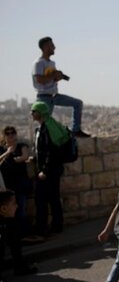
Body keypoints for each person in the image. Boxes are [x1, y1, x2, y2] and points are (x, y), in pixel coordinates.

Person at [32, 36, 90, 138]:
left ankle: (75, 130)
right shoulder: (38, 63)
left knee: (78, 103)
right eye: (51, 45)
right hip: (44, 97)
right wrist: (53, 75)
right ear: (45, 47)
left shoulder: (51, 63)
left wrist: (58, 77)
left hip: (54, 95)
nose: (54, 47)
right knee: (44, 124)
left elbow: (50, 79)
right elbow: (40, 80)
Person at [31, 101, 67, 237]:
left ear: (40, 113)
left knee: (44, 200)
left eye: (34, 111)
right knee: (52, 199)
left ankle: (43, 228)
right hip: (49, 170)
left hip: (48, 172)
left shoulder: (47, 129)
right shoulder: (42, 128)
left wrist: (44, 170)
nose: (32, 114)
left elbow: (51, 152)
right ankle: (54, 226)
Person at [0, 126, 33, 237]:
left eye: (12, 133)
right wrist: (7, 153)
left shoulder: (21, 146)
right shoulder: (2, 149)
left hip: (20, 184)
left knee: (21, 209)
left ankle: (22, 234)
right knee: (8, 213)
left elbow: (24, 157)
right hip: (7, 186)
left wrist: (13, 157)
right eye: (7, 133)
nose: (10, 135)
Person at [0, 190, 38, 281]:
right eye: (14, 204)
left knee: (15, 237)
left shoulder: (8, 219)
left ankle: (19, 267)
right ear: (4, 209)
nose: (17, 206)